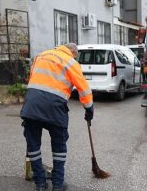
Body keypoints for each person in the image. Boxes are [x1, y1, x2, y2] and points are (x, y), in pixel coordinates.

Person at [20, 43, 94, 191]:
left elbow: (33, 79)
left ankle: (40, 184)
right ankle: (58, 185)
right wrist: (89, 108)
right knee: (59, 146)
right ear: (73, 53)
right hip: (55, 108)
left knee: (33, 145)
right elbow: (83, 89)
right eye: (76, 56)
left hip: (31, 106)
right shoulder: (71, 62)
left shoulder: (40, 56)